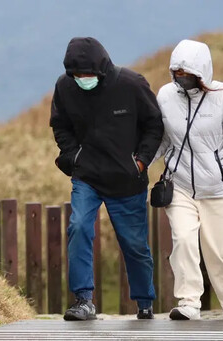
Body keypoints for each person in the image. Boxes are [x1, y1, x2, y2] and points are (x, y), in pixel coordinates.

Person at [50, 37, 163, 321]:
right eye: (77, 75)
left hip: (126, 179)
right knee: (78, 227)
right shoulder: (65, 86)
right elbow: (60, 125)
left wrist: (140, 162)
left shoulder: (131, 84)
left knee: (134, 243)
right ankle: (83, 300)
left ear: (101, 69)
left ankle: (144, 303)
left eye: (87, 75)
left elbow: (154, 124)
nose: (82, 80)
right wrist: (73, 155)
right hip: (87, 176)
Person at [154, 39, 223, 320]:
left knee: (221, 253)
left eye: (187, 74)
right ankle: (189, 302)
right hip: (180, 185)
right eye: (177, 73)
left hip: (219, 189)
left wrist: (219, 167)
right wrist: (141, 159)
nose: (181, 79)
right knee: (183, 239)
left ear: (202, 73)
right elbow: (162, 137)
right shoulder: (165, 96)